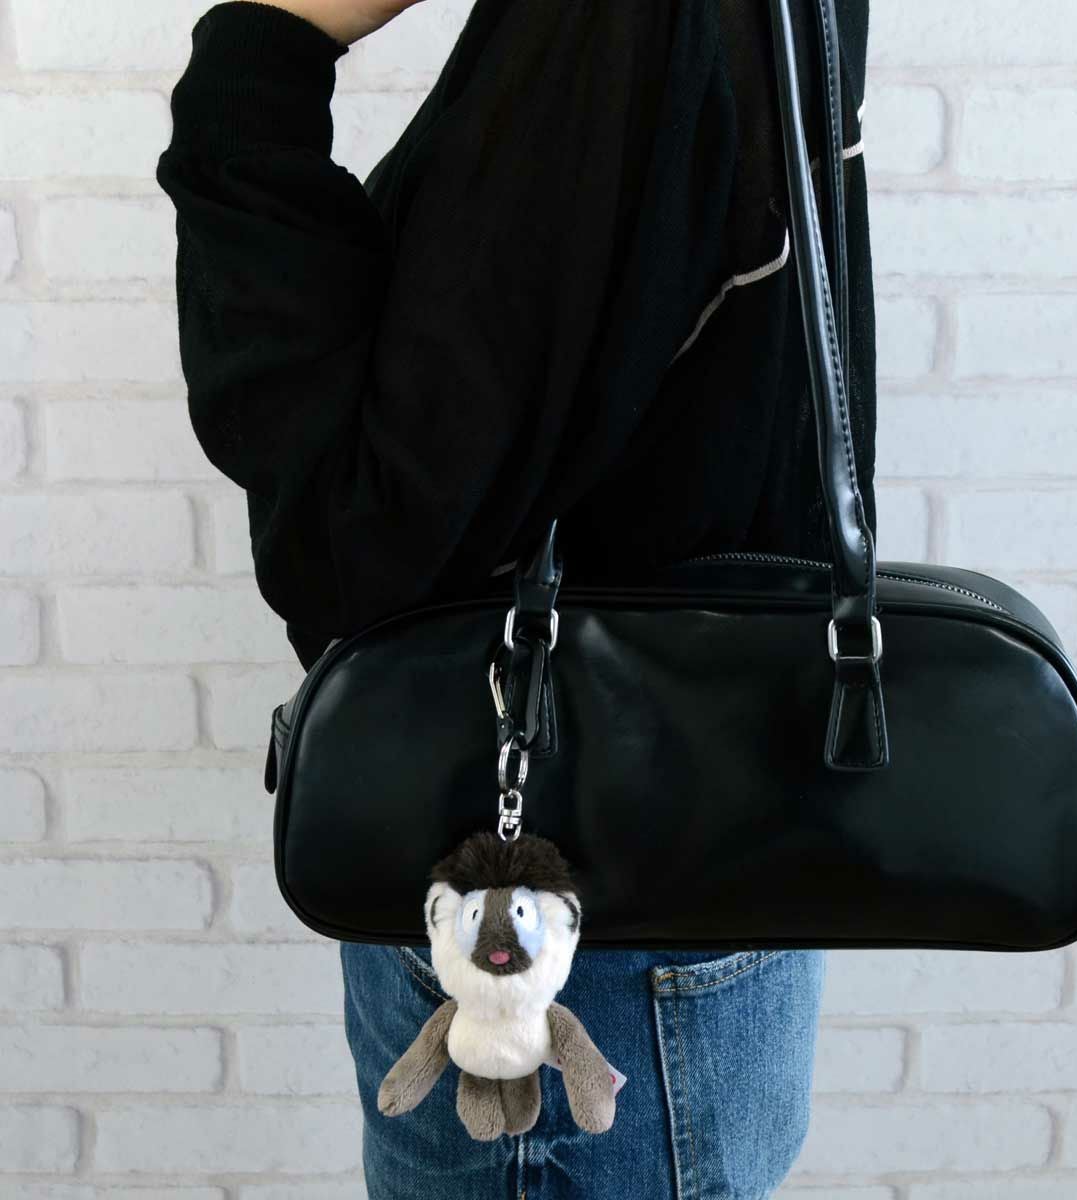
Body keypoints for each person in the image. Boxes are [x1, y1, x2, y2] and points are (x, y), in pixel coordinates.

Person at [157, 1, 876, 1196]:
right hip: (699, 873)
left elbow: (356, 543)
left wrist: (269, 40)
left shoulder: (621, 33)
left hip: (565, 956)